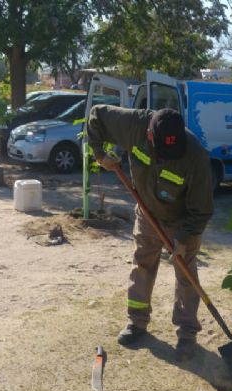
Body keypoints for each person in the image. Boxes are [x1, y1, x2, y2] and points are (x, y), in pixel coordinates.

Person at [86, 106, 214, 361]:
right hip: (147, 213)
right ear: (149, 135)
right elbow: (96, 115)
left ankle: (187, 333)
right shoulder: (133, 125)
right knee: (142, 265)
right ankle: (137, 322)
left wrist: (183, 239)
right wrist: (100, 154)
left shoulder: (196, 157)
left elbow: (201, 210)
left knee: (186, 276)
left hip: (182, 222)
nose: (167, 158)